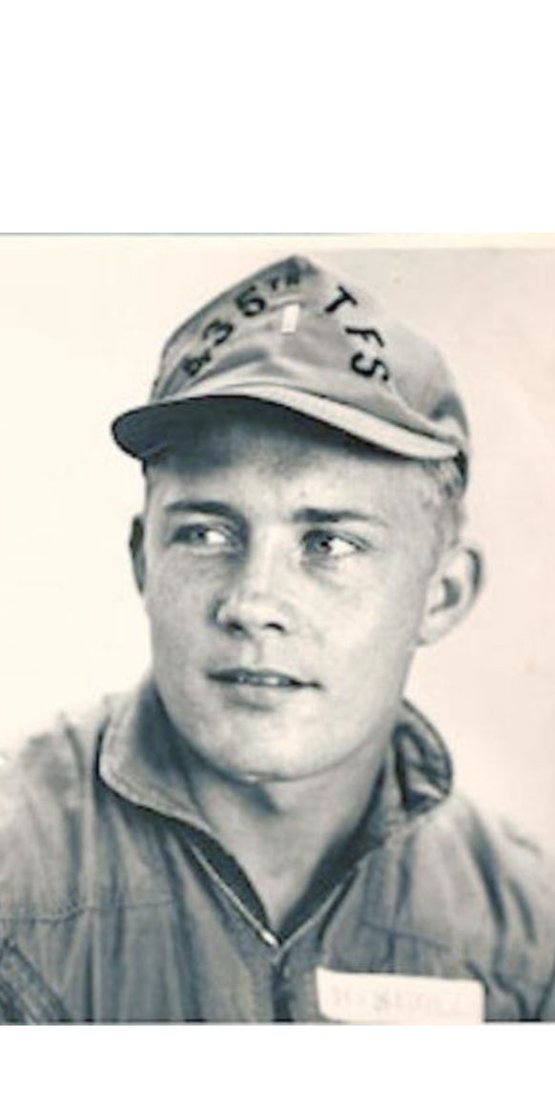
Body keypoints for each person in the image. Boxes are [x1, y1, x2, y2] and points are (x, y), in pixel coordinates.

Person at [1, 254, 554, 1024]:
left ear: (443, 593)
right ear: (142, 561)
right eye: (204, 533)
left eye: (329, 543)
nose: (252, 603)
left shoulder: (526, 932)